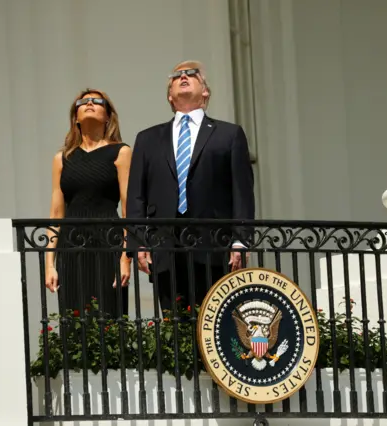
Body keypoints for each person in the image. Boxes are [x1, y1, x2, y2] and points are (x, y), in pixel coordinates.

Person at [126, 60, 255, 313]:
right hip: (165, 248)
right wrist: (139, 242)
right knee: (173, 325)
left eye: (191, 74)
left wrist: (241, 241)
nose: (183, 76)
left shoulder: (229, 134)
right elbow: (136, 195)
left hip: (214, 246)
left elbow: (242, 190)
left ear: (205, 91)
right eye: (176, 75)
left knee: (214, 325)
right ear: (170, 96)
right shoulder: (148, 138)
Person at [45, 88, 131, 319]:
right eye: (83, 101)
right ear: (75, 117)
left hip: (107, 243)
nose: (89, 103)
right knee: (74, 318)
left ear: (107, 115)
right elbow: (55, 213)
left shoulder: (121, 152)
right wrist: (49, 264)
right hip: (71, 245)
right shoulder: (62, 159)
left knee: (109, 317)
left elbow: (128, 209)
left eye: (97, 101)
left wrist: (125, 258)